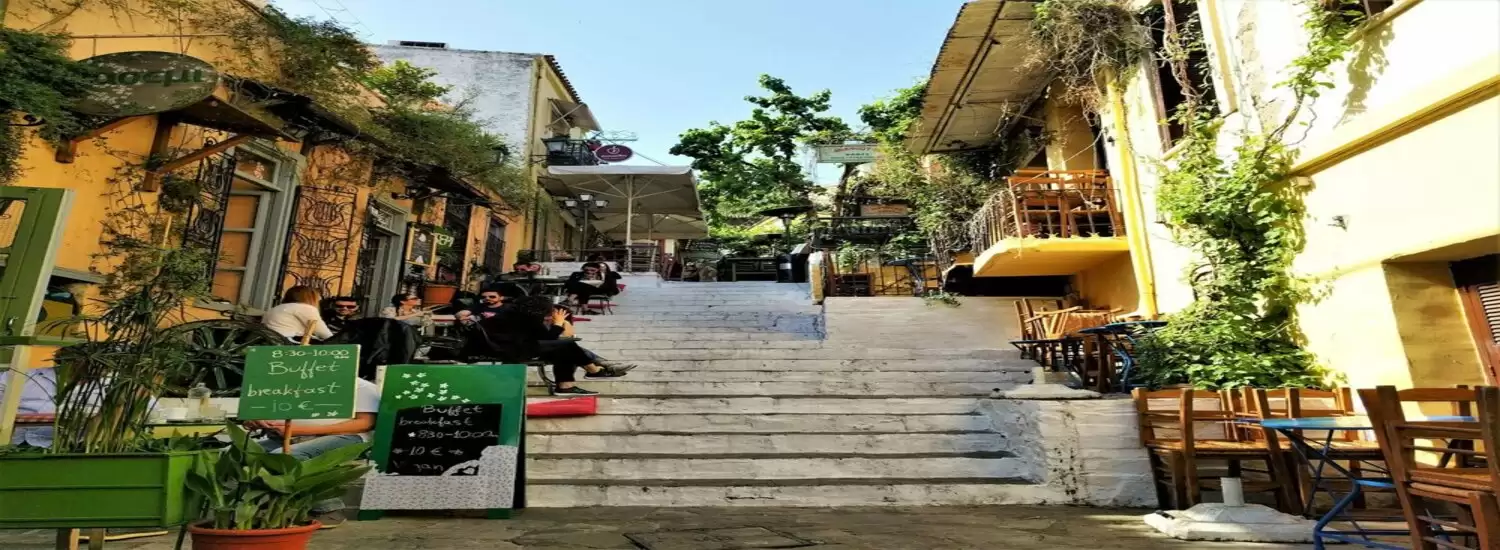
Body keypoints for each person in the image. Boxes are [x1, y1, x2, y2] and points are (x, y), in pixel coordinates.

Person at [245, 376, 380, 529]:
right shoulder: (282, 384)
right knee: (233, 453)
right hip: (283, 437)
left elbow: (364, 423)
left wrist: (299, 430)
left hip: (345, 437)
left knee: (284, 456)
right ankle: (244, 510)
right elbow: (258, 414)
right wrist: (255, 420)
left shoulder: (360, 386)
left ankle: (327, 510)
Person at [468, 296, 630, 395]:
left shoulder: (511, 315)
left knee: (565, 347)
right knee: (566, 346)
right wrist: (559, 323)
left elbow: (543, 338)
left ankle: (577, 380)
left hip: (506, 348)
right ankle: (590, 373)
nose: (548, 313)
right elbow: (549, 337)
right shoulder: (529, 319)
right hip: (513, 351)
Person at [263, 286, 334, 342]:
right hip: (290, 342)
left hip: (271, 341)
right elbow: (323, 333)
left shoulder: (276, 308)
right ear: (311, 297)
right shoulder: (305, 307)